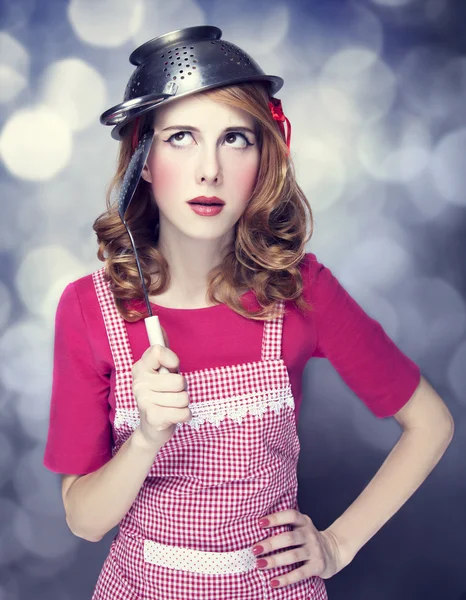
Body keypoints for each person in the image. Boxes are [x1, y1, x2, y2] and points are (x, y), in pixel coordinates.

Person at [43, 26, 454, 600]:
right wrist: (145, 438)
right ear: (143, 157)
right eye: (181, 137)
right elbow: (84, 521)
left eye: (235, 138)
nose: (209, 169)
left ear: (264, 157)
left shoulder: (301, 289)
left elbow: (431, 424)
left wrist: (337, 545)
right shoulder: (89, 308)